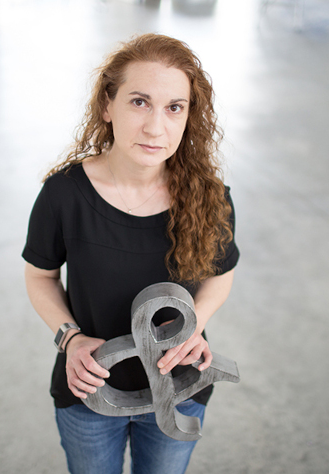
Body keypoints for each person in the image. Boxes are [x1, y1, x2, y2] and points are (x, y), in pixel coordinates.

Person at [22, 33, 240, 474]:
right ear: (108, 106)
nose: (156, 127)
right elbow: (40, 276)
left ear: (188, 117)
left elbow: (220, 273)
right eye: (139, 102)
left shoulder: (209, 196)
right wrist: (70, 337)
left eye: (174, 107)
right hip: (89, 391)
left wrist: (196, 322)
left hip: (179, 389)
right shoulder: (64, 194)